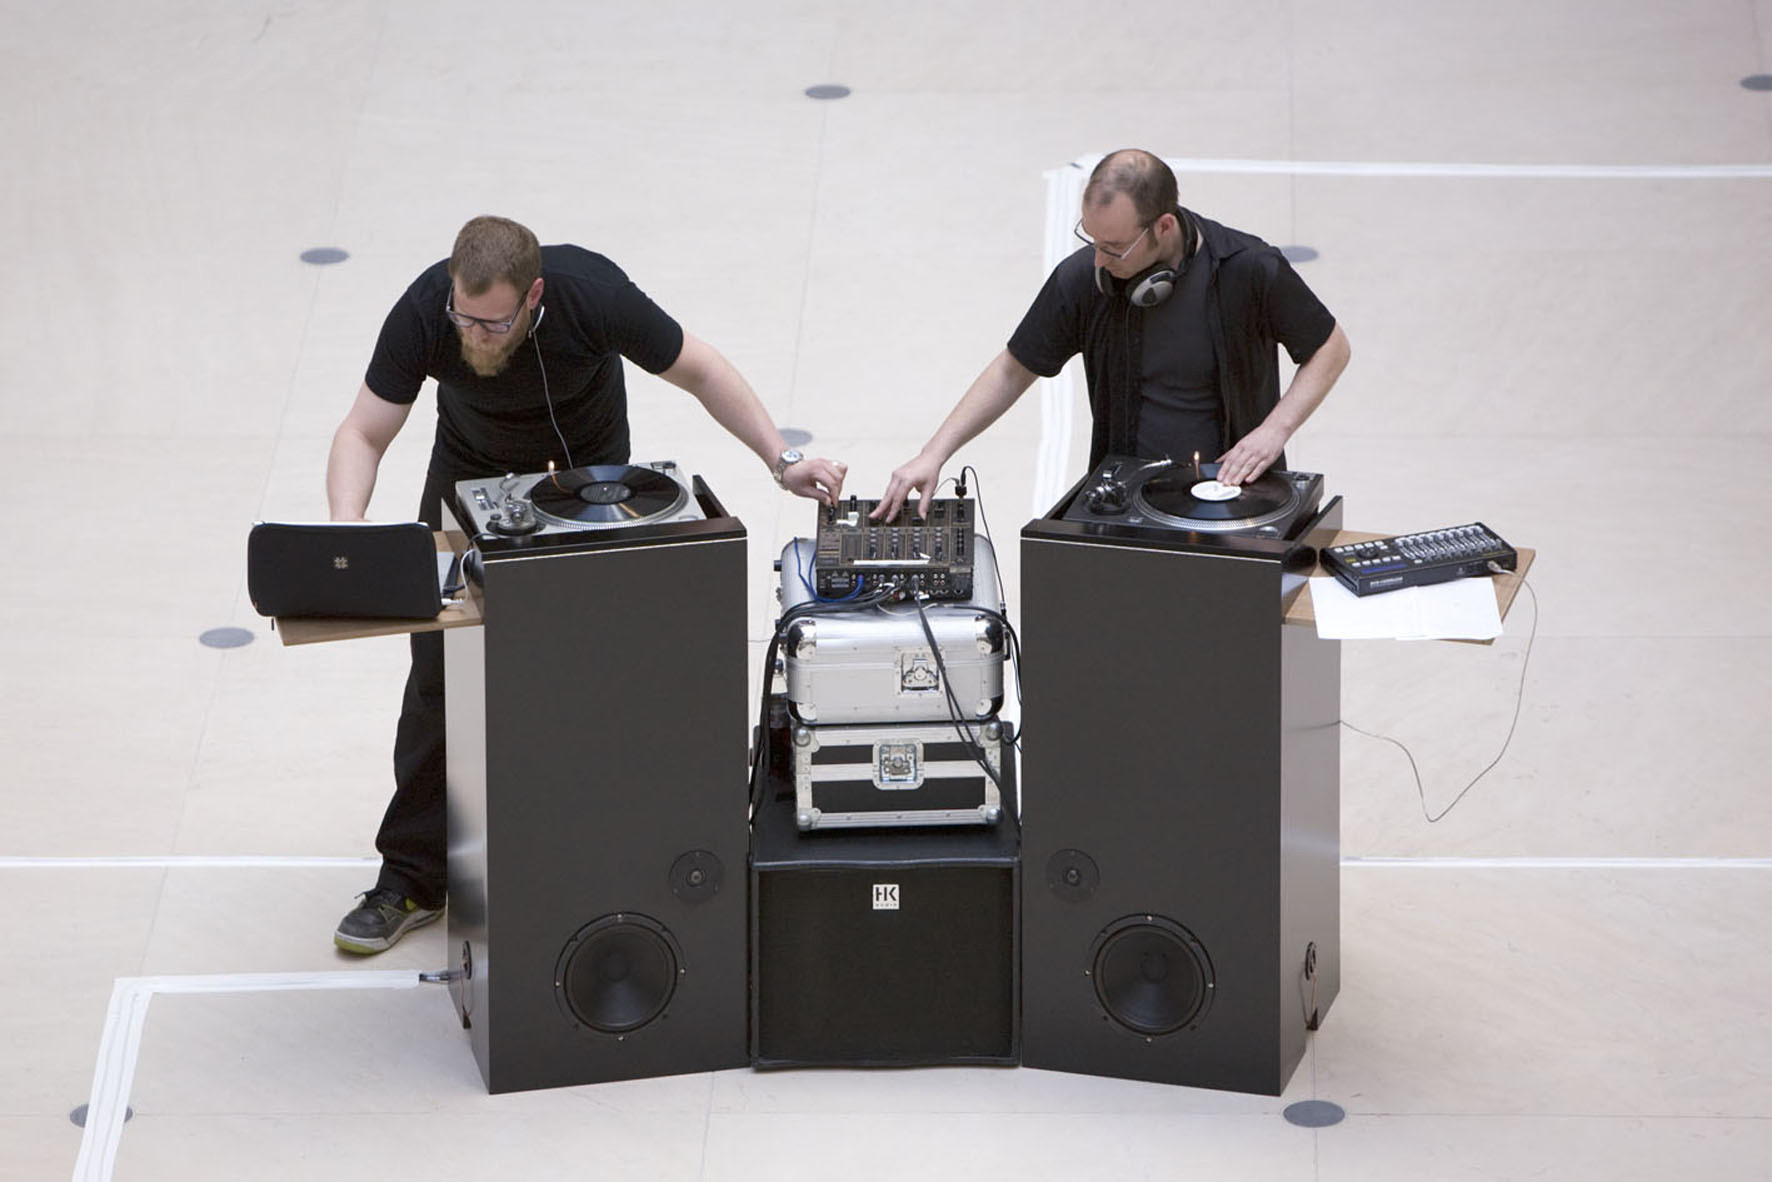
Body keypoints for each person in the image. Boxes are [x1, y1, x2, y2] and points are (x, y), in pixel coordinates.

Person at [325, 215, 846, 953]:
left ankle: (592, 855)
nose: (474, 335)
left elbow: (700, 368)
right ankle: (411, 878)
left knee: (593, 680)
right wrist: (347, 527)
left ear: (534, 296)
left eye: (494, 323)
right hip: (468, 481)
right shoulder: (425, 310)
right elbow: (363, 431)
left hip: (591, 489)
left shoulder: (591, 294)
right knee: (438, 683)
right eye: (464, 319)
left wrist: (781, 460)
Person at [876, 148, 1350, 518]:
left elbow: (1331, 347)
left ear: (1164, 226)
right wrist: (933, 454)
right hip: (1127, 507)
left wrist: (1274, 431)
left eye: (1116, 247)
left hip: (1234, 504)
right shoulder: (1085, 279)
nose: (1100, 260)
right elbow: (1012, 369)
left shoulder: (1247, 269)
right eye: (1092, 240)